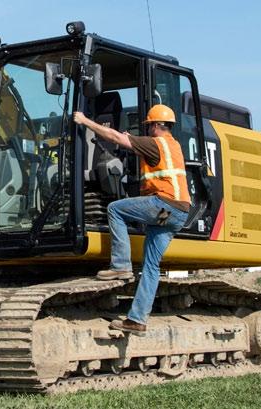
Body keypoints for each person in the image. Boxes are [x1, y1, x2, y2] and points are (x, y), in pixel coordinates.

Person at [73, 104, 190, 336]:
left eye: (148, 126)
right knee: (151, 266)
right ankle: (137, 320)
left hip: (164, 205)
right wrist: (132, 140)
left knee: (116, 209)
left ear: (156, 125)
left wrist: (85, 121)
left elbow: (114, 137)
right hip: (174, 214)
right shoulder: (173, 145)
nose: (147, 130)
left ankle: (121, 266)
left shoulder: (155, 143)